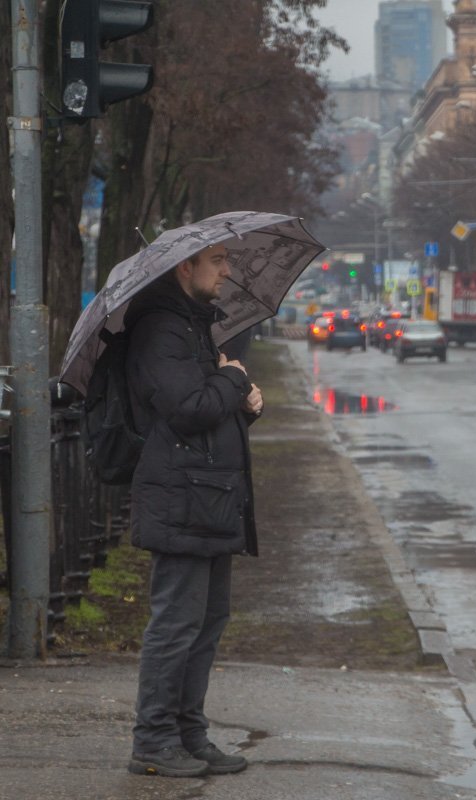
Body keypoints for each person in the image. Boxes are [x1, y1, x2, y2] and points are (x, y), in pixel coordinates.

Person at [123, 243, 263, 778]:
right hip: (181, 498)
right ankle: (153, 741)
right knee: (176, 625)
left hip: (210, 496)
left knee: (206, 623)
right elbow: (188, 409)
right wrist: (234, 378)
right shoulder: (160, 328)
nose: (227, 270)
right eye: (218, 261)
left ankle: (189, 734)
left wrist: (244, 401)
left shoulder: (194, 325)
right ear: (187, 266)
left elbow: (210, 408)